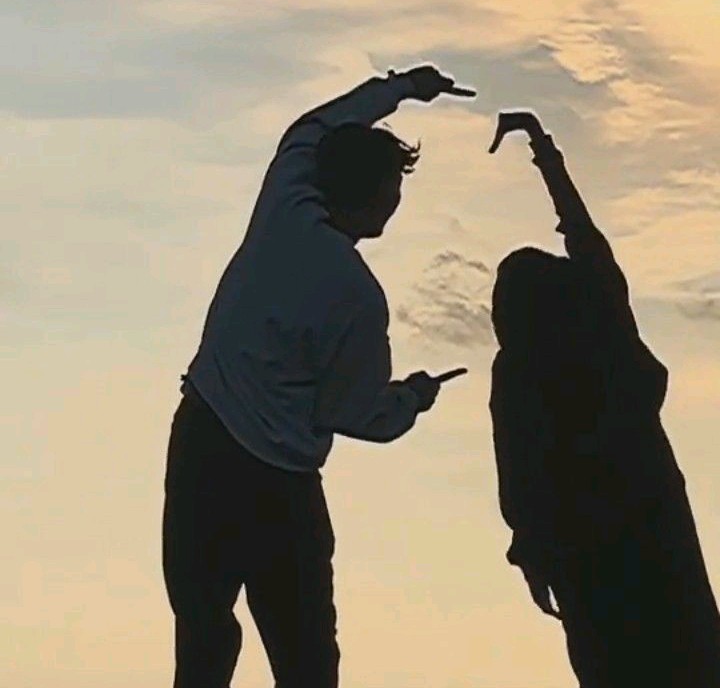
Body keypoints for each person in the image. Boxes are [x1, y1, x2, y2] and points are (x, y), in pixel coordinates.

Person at [162, 65, 474, 688]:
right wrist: (412, 398)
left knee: (202, 639)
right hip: (277, 489)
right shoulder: (357, 297)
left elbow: (315, 125)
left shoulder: (284, 199)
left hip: (202, 446)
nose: (397, 201)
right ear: (375, 201)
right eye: (393, 189)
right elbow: (352, 412)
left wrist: (401, 88)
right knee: (306, 663)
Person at [488, 110, 720, 687]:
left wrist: (532, 556)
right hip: (657, 529)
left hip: (584, 554)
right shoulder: (604, 322)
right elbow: (583, 233)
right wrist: (541, 146)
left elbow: (519, 476)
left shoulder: (519, 372)